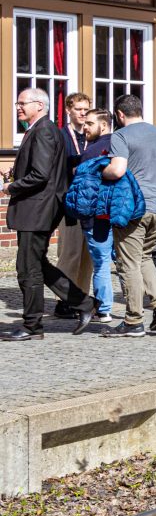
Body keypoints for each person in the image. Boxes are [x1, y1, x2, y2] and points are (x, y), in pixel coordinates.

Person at [0, 88, 97, 341]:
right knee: (37, 264)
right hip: (39, 207)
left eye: (23, 103)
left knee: (27, 269)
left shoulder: (43, 130)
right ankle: (84, 303)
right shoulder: (43, 129)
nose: (18, 107)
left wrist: (11, 186)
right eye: (17, 102)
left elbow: (41, 175)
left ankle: (32, 325)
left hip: (37, 209)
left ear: (40, 106)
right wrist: (16, 174)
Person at [101, 95, 156, 337]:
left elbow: (118, 169)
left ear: (120, 115)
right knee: (144, 257)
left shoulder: (121, 135)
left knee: (128, 263)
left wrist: (102, 169)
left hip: (134, 206)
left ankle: (133, 320)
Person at [52, 92, 94, 318]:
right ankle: (63, 300)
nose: (83, 113)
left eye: (86, 109)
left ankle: (82, 298)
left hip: (90, 204)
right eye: (79, 109)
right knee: (70, 253)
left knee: (87, 256)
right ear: (68, 110)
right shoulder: (61, 136)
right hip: (69, 203)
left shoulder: (92, 136)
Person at [79, 109, 115, 322]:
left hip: (96, 216)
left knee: (101, 263)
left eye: (89, 124)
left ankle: (103, 309)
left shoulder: (91, 152)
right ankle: (134, 307)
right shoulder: (119, 145)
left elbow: (84, 189)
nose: (85, 128)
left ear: (103, 125)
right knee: (124, 263)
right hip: (118, 214)